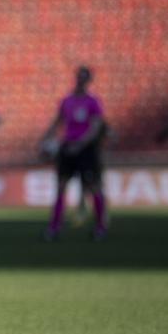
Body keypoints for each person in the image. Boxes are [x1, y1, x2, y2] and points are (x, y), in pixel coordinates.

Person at [40, 66, 107, 241]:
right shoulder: (66, 100)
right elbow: (57, 121)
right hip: (67, 148)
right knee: (61, 187)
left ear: (88, 80)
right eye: (78, 76)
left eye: (84, 77)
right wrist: (45, 137)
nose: (80, 80)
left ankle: (100, 226)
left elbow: (96, 126)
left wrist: (81, 144)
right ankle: (53, 227)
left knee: (93, 187)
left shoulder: (93, 102)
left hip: (85, 150)